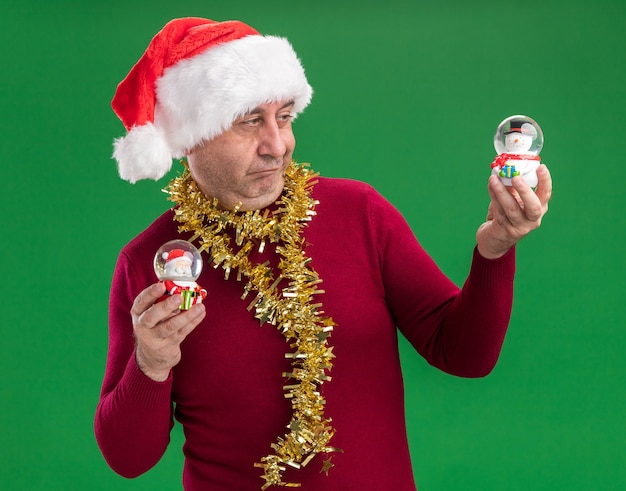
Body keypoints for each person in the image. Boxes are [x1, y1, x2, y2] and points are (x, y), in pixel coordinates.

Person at [94, 17, 552, 491]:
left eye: (285, 117)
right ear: (191, 136)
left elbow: (464, 355)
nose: (278, 145)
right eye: (250, 121)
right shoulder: (153, 263)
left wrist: (495, 251)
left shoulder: (359, 214)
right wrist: (150, 364)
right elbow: (128, 458)